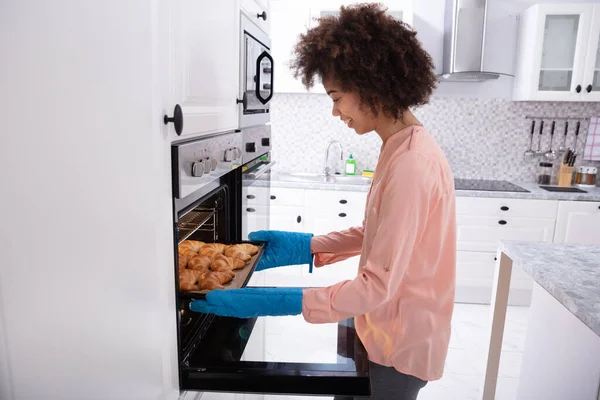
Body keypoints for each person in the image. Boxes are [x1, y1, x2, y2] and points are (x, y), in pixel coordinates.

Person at [190, 3, 456, 399]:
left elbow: (375, 288)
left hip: (399, 343)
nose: (334, 112)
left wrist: (287, 300)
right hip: (380, 327)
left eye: (336, 96)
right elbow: (378, 234)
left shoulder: (411, 163)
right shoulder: (400, 145)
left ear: (371, 85)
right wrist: (306, 247)